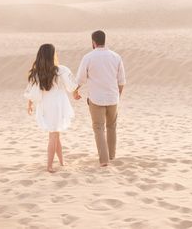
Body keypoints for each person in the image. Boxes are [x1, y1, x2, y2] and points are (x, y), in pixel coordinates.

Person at [24, 44, 80, 173]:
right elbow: (72, 85)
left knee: (56, 134)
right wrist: (76, 93)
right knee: (53, 135)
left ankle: (61, 161)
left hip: (45, 104)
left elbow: (32, 92)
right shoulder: (61, 70)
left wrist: (30, 104)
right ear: (52, 55)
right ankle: (49, 166)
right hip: (57, 104)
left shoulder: (37, 72)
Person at [74, 30, 126, 167]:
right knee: (111, 126)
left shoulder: (88, 57)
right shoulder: (116, 57)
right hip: (113, 98)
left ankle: (104, 160)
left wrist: (75, 91)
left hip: (96, 99)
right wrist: (117, 96)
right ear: (104, 40)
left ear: (93, 42)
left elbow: (80, 79)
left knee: (98, 128)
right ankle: (112, 156)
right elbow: (121, 81)